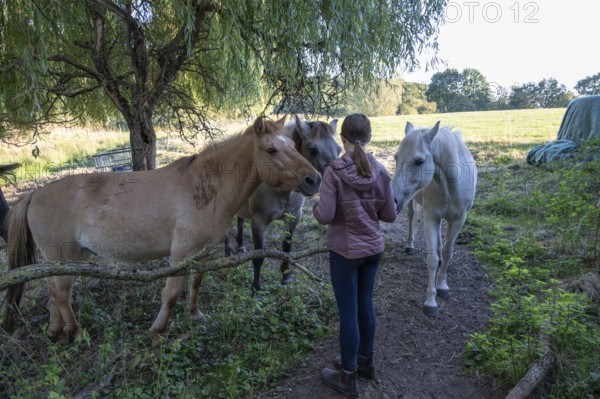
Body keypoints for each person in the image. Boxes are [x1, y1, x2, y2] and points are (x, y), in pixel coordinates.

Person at [313, 113, 397, 397]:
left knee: (348, 313)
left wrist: (316, 203)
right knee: (365, 305)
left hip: (345, 253)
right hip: (373, 250)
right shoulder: (381, 171)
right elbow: (390, 215)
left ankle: (347, 377)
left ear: (342, 138)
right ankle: (365, 363)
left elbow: (324, 216)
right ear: (370, 137)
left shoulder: (334, 172)